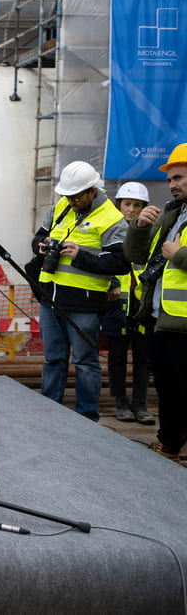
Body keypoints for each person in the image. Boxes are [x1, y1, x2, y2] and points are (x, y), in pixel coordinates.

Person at [33, 161, 129, 422]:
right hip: (50, 299)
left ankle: (87, 419)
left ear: (91, 191)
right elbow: (38, 237)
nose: (71, 201)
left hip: (84, 305)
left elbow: (121, 263)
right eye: (67, 196)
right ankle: (48, 413)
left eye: (76, 196)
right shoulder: (61, 206)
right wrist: (40, 246)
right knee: (53, 359)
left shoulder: (112, 219)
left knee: (85, 363)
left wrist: (80, 256)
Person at [125, 143, 187, 463]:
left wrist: (180, 255)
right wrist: (139, 227)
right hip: (159, 318)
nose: (171, 184)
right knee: (166, 387)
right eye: (170, 179)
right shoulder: (171, 212)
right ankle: (169, 443)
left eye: (178, 177)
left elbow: (176, 257)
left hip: (184, 323)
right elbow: (135, 256)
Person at [102, 182, 154, 425]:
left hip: (142, 304)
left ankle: (140, 404)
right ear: (118, 205)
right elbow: (102, 258)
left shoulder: (151, 232)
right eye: (127, 204)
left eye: (137, 205)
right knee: (118, 355)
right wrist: (112, 280)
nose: (131, 210)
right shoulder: (111, 229)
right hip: (117, 303)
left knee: (143, 356)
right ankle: (121, 402)